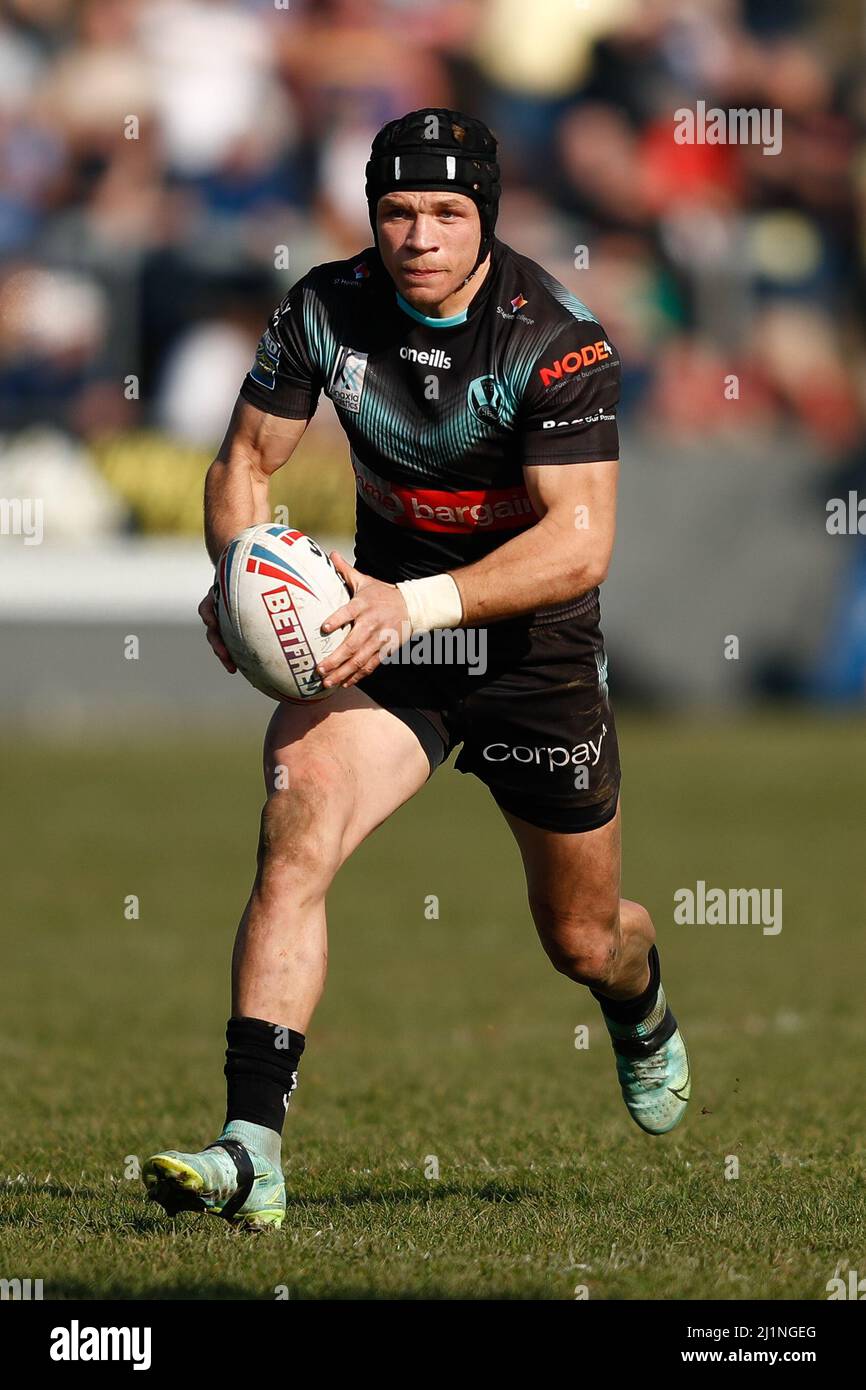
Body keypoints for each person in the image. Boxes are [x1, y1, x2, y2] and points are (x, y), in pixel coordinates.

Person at [143, 109, 690, 1230]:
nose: (419, 234)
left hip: (529, 650)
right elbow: (244, 460)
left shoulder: (555, 339)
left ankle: (636, 1004)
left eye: (446, 211)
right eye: (397, 210)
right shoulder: (322, 309)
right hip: (378, 637)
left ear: (485, 216)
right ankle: (251, 1146)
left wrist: (414, 604)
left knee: (581, 937)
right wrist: (234, 572)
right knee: (296, 820)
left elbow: (578, 543)